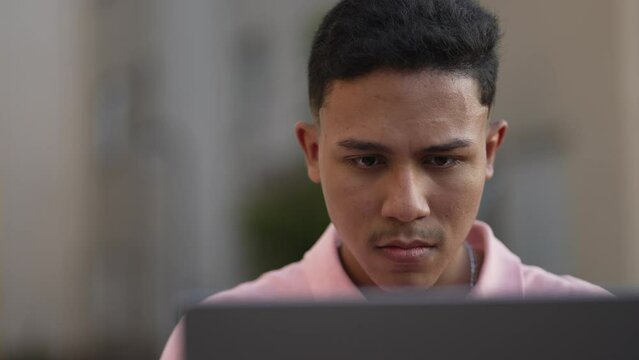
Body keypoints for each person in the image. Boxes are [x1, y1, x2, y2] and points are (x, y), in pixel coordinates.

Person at [160, 0, 609, 358]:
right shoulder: (229, 343)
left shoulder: (596, 334)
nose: (407, 204)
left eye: (442, 161)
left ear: (490, 151)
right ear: (313, 153)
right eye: (369, 161)